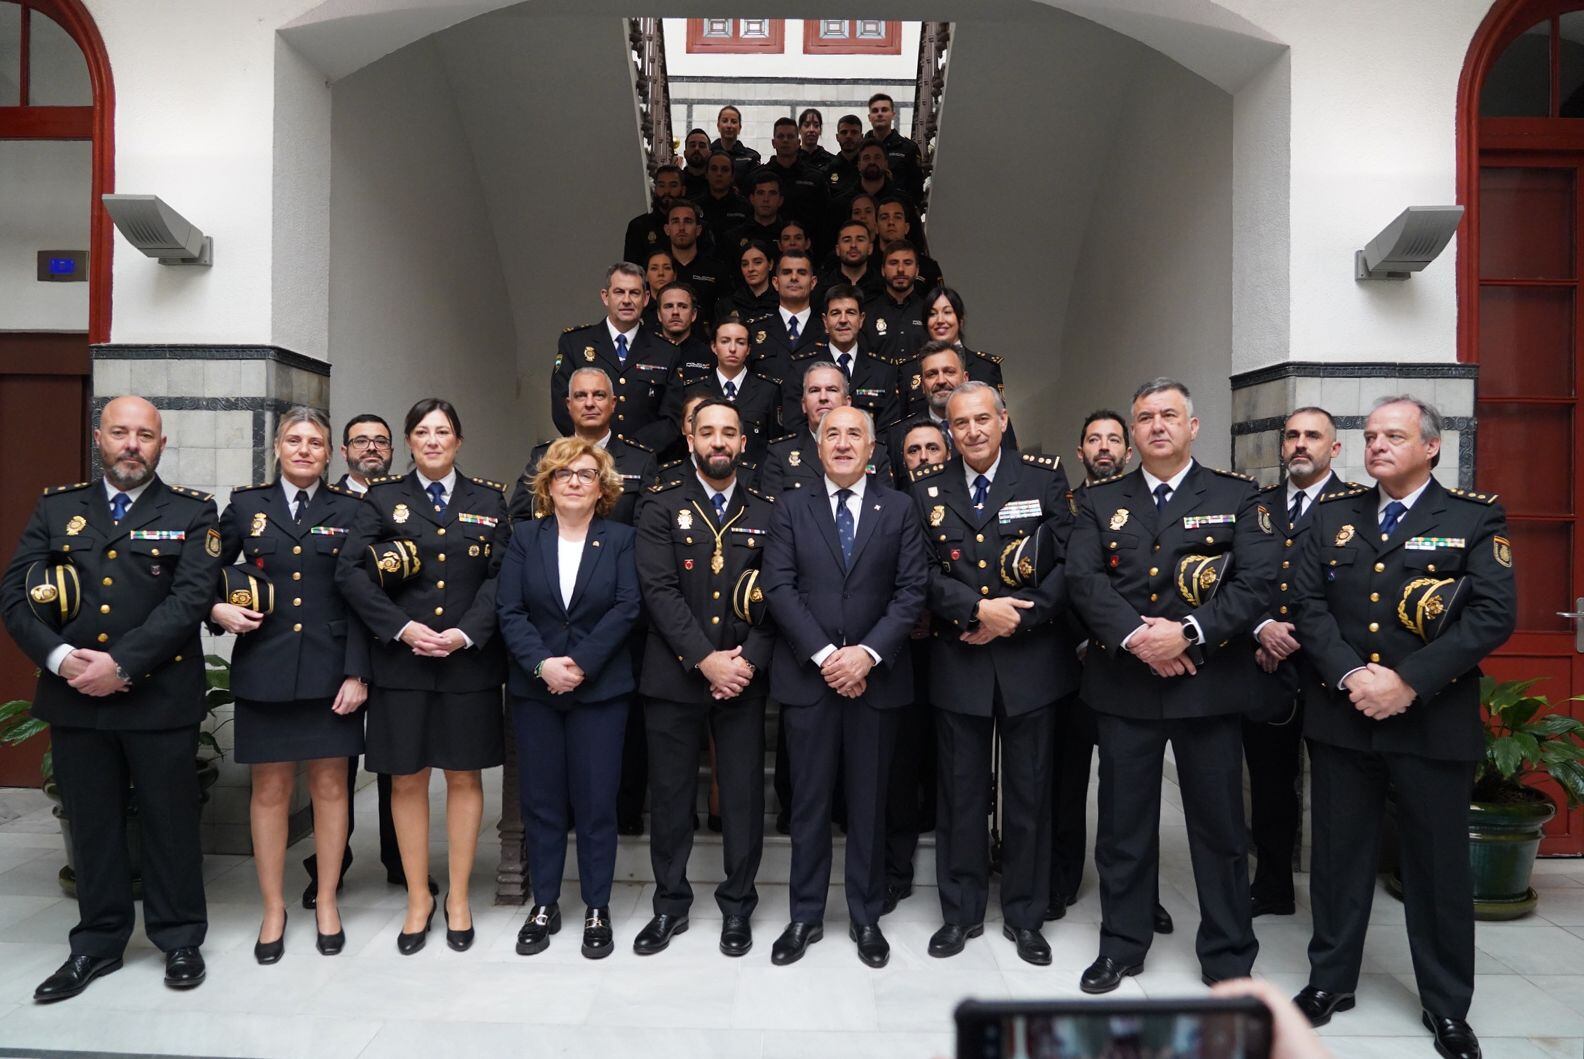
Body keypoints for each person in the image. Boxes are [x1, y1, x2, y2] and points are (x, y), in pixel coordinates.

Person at [1290, 396, 1514, 1059]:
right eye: (1372, 434)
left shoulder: (1473, 517)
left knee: (1437, 868)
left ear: (1432, 447)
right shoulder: (1333, 515)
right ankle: (1330, 981)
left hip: (1431, 722)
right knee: (1337, 859)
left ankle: (1447, 1006)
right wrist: (1354, 676)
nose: (1379, 444)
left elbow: (1492, 615)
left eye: (1396, 434)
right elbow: (1307, 604)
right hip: (1343, 716)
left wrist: (1407, 681)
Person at [3, 396, 219, 1001]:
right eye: (120, 432)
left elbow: (190, 600)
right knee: (92, 824)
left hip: (159, 697)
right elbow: (17, 595)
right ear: (99, 438)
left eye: (144, 435)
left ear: (161, 444)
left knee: (170, 822)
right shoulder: (58, 508)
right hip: (77, 697)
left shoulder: (192, 512)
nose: (132, 444)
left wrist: (122, 664)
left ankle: (179, 938)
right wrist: (63, 660)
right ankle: (96, 945)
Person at [1067, 378, 1272, 994]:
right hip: (1125, 686)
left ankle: (1229, 954)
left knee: (1219, 830)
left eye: (1169, 416)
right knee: (1123, 828)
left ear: (1193, 426)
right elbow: (1084, 581)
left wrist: (1186, 632)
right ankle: (1123, 945)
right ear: (1133, 432)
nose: (1157, 426)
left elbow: (1255, 584)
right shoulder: (1099, 502)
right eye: (1146, 417)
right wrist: (1138, 639)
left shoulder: (1239, 497)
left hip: (1206, 687)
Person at [909, 382, 1076, 966]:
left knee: (1030, 795)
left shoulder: (1042, 479)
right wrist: (977, 611)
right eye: (960, 424)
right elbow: (923, 571)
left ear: (1004, 420)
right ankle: (960, 912)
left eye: (983, 419)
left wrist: (1014, 621)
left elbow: (1067, 566)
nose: (973, 431)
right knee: (961, 795)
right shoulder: (926, 488)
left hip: (1031, 662)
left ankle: (1027, 916)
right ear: (949, 432)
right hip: (960, 660)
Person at [335, 398, 510, 955]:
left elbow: (502, 578)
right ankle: (418, 896)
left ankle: (457, 895)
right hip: (401, 663)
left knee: (463, 777)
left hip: (468, 661)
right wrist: (404, 629)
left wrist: (465, 633)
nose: (433, 441)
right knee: (407, 778)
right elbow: (352, 574)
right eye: (422, 432)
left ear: (459, 440)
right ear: (409, 442)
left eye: (443, 432)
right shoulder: (383, 497)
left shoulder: (489, 498)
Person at [761, 405, 928, 968]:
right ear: (816, 445)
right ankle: (804, 916)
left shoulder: (900, 508)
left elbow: (911, 591)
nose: (842, 442)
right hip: (811, 679)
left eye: (853, 433)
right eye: (831, 433)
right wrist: (831, 657)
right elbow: (779, 588)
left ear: (873, 447)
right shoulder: (789, 506)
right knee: (807, 805)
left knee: (869, 803)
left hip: (876, 681)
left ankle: (864, 916)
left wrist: (867, 655)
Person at [209, 407, 369, 963]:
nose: (304, 450)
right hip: (265, 669)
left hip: (331, 672)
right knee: (270, 792)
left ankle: (326, 899)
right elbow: (205, 572)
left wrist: (358, 670)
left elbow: (363, 597)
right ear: (278, 447)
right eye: (294, 440)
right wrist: (216, 609)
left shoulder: (350, 509)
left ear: (330, 455)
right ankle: (273, 907)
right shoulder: (246, 506)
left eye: (316, 442)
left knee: (330, 790)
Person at [633, 399, 775, 957]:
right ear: (690, 438)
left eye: (730, 434)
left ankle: (737, 908)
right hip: (673, 676)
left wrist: (747, 660)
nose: (719, 442)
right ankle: (670, 904)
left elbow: (781, 591)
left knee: (741, 798)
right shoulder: (661, 504)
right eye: (708, 432)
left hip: (743, 676)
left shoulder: (769, 508)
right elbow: (658, 591)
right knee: (670, 800)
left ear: (743, 443)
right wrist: (705, 659)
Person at [499, 438, 640, 960]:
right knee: (541, 802)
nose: (575, 481)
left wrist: (579, 664)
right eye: (564, 474)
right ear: (547, 485)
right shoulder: (524, 538)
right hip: (536, 692)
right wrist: (542, 665)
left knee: (597, 802)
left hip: (600, 691)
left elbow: (628, 608)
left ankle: (597, 906)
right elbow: (510, 611)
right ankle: (545, 904)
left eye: (586, 473)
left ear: (602, 486)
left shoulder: (621, 539)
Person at [1050, 412, 1172, 936]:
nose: (1104, 447)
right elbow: (1064, 579)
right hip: (1070, 664)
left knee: (1130, 792)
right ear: (1080, 451)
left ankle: (1141, 896)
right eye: (1094, 439)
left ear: (1126, 451)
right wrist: (1083, 638)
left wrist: (1131, 637)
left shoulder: (1145, 504)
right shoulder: (1063, 505)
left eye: (1113, 440)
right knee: (1067, 781)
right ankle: (1061, 879)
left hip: (1132, 661)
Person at [304, 413, 427, 907]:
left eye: (380, 441)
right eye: (361, 442)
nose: (371, 449)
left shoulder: (405, 499)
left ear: (394, 449)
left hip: (398, 649)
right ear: (342, 451)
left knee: (399, 763)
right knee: (336, 770)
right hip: (337, 652)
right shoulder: (325, 503)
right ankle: (329, 869)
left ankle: (402, 862)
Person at [1245, 407, 1348, 920]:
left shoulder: (1357, 506)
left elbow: (1357, 595)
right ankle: (1272, 886)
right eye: (1292, 436)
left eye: (1312, 436)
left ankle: (1337, 900)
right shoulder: (1257, 506)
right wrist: (1261, 626)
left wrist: (1302, 639)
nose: (1300, 444)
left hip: (1330, 672)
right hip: (1266, 666)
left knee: (1336, 792)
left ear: (1335, 448)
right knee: (1269, 786)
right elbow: (1235, 575)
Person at [882, 419, 949, 912]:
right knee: (899, 764)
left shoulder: (963, 499)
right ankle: (896, 867)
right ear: (899, 460)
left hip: (951, 648)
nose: (923, 457)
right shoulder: (885, 504)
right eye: (913, 450)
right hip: (896, 650)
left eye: (932, 447)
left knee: (947, 763)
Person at [551, 263, 681, 454]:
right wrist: (595, 446)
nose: (627, 300)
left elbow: (673, 416)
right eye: (619, 292)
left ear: (645, 299)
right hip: (588, 457)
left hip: (645, 462)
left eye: (634, 293)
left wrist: (633, 451)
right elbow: (562, 405)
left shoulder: (666, 351)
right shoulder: (575, 343)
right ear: (605, 296)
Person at [512, 366, 659, 528]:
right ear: (569, 404)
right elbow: (519, 518)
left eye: (599, 395)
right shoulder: (545, 456)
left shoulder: (640, 461)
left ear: (613, 403)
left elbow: (648, 530)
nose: (590, 403)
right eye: (581, 396)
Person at [761, 361, 894, 499]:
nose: (823, 397)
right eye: (814, 390)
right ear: (804, 405)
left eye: (832, 389)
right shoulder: (780, 454)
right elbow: (775, 513)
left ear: (847, 402)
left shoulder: (874, 452)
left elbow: (885, 508)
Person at [781, 284, 899, 434]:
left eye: (850, 312)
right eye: (836, 313)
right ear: (825, 321)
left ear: (861, 319)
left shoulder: (883, 372)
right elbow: (794, 426)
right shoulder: (801, 368)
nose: (843, 320)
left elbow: (889, 432)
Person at [670, 314, 781, 460]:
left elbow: (776, 445)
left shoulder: (768, 390)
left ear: (748, 349)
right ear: (714, 346)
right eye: (725, 341)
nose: (733, 348)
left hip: (754, 479)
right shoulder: (694, 390)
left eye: (740, 342)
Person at [896, 286, 1006, 419]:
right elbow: (902, 426)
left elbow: (1000, 422)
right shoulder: (908, 369)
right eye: (932, 314)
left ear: (960, 320)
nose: (940, 320)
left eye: (947, 312)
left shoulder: (986, 367)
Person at [748, 249, 824, 384]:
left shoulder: (827, 329)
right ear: (775, 282)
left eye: (801, 272)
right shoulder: (753, 330)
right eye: (787, 272)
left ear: (813, 282)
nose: (794, 278)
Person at [863, 239, 929, 362]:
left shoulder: (929, 312)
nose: (900, 269)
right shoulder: (868, 313)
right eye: (893, 263)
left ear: (917, 270)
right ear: (883, 270)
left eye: (907, 263)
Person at [664, 201, 726, 324]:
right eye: (676, 221)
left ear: (698, 230)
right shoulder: (658, 269)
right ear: (667, 229)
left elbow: (726, 311)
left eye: (688, 221)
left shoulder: (716, 269)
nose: (681, 228)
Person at [764, 116, 827, 232]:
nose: (785, 140)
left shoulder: (815, 177)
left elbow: (825, 218)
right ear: (773, 143)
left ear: (798, 143)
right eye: (781, 136)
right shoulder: (760, 176)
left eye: (790, 136)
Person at [874, 197, 942, 290]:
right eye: (884, 217)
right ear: (876, 227)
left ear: (907, 227)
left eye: (897, 217)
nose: (891, 222)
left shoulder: (928, 267)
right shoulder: (866, 265)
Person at [624, 163, 685, 267]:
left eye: (673, 185)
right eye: (662, 185)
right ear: (655, 189)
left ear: (683, 190)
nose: (667, 191)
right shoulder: (639, 226)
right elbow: (632, 271)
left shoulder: (692, 226)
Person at [867, 93, 925, 201]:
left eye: (884, 110)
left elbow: (916, 190)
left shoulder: (908, 148)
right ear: (869, 117)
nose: (879, 114)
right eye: (875, 111)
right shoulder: (860, 148)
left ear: (893, 114)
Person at [695, 150, 753, 254]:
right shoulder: (695, 207)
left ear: (732, 176)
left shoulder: (745, 207)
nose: (719, 174)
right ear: (706, 174)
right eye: (714, 169)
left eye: (725, 170)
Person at [651, 282, 712, 374]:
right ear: (659, 314)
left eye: (683, 306)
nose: (675, 312)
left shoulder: (709, 356)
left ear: (693, 314)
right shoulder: (644, 354)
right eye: (669, 306)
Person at [817, 221, 883, 307]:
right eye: (847, 240)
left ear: (870, 248)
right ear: (837, 249)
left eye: (860, 240)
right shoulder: (821, 289)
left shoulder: (883, 288)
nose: (853, 245)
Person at [727, 169, 788, 259]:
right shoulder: (734, 237)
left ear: (780, 200)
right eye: (760, 193)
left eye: (772, 193)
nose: (766, 199)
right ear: (752, 199)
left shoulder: (789, 237)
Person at [715, 239, 778, 326]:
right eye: (745, 264)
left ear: (770, 264)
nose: (750, 269)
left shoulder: (782, 303)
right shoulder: (727, 305)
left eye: (757, 262)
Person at [711, 104, 761, 193]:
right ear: (718, 126)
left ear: (739, 128)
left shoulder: (752, 157)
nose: (729, 126)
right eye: (725, 121)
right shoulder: (708, 154)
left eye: (734, 121)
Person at [825, 113, 865, 202]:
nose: (848, 136)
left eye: (854, 132)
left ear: (862, 137)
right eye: (844, 132)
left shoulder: (867, 168)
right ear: (837, 137)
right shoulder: (827, 169)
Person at [797, 107, 836, 172]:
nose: (811, 130)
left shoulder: (831, 161)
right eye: (807, 125)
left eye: (816, 125)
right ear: (799, 130)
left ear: (820, 130)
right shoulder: (792, 159)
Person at [680, 128, 712, 199]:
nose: (697, 149)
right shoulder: (678, 182)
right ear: (685, 153)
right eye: (692, 145)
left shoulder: (715, 182)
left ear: (710, 154)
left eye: (702, 146)